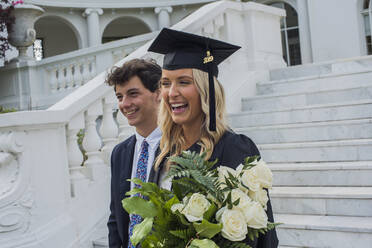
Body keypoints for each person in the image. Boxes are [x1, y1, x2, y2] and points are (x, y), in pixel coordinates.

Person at [148, 28, 279, 247]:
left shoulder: (235, 148)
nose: (171, 93)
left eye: (183, 82)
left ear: (206, 89)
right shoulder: (163, 152)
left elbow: (263, 234)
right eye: (166, 83)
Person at [106, 59, 162, 248]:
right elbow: (116, 217)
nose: (125, 104)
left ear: (158, 93)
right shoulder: (119, 153)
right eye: (119, 97)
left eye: (133, 94)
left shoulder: (182, 146)